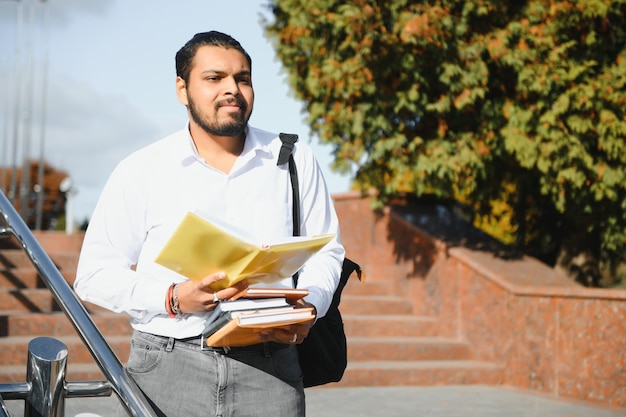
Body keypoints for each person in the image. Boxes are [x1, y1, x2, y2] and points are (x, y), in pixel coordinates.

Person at [74, 31, 345, 417]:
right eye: (214, 78)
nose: (232, 89)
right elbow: (94, 275)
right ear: (182, 89)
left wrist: (311, 308)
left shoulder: (295, 158)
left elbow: (328, 249)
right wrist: (172, 296)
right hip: (167, 367)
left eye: (243, 78)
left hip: (271, 369)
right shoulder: (142, 169)